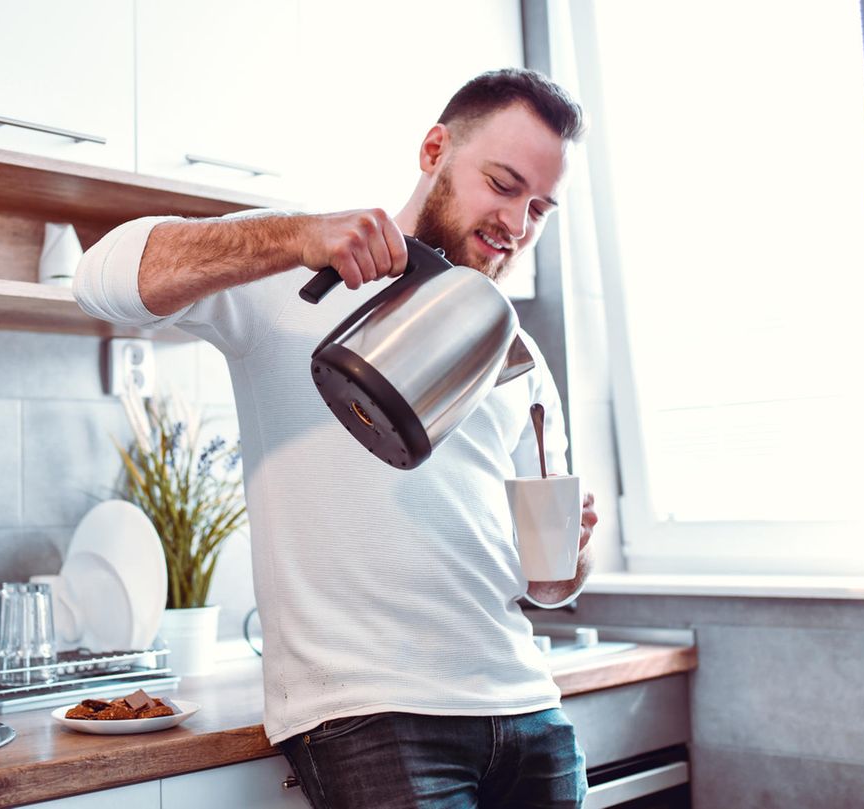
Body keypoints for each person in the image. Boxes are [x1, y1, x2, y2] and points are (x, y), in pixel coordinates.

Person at [75, 68, 598, 808]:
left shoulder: (516, 354)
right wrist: (296, 234)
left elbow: (543, 584)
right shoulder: (295, 277)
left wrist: (567, 565)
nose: (517, 224)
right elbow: (98, 275)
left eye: (540, 208)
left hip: (529, 707)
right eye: (504, 184)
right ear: (434, 150)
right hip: (374, 715)